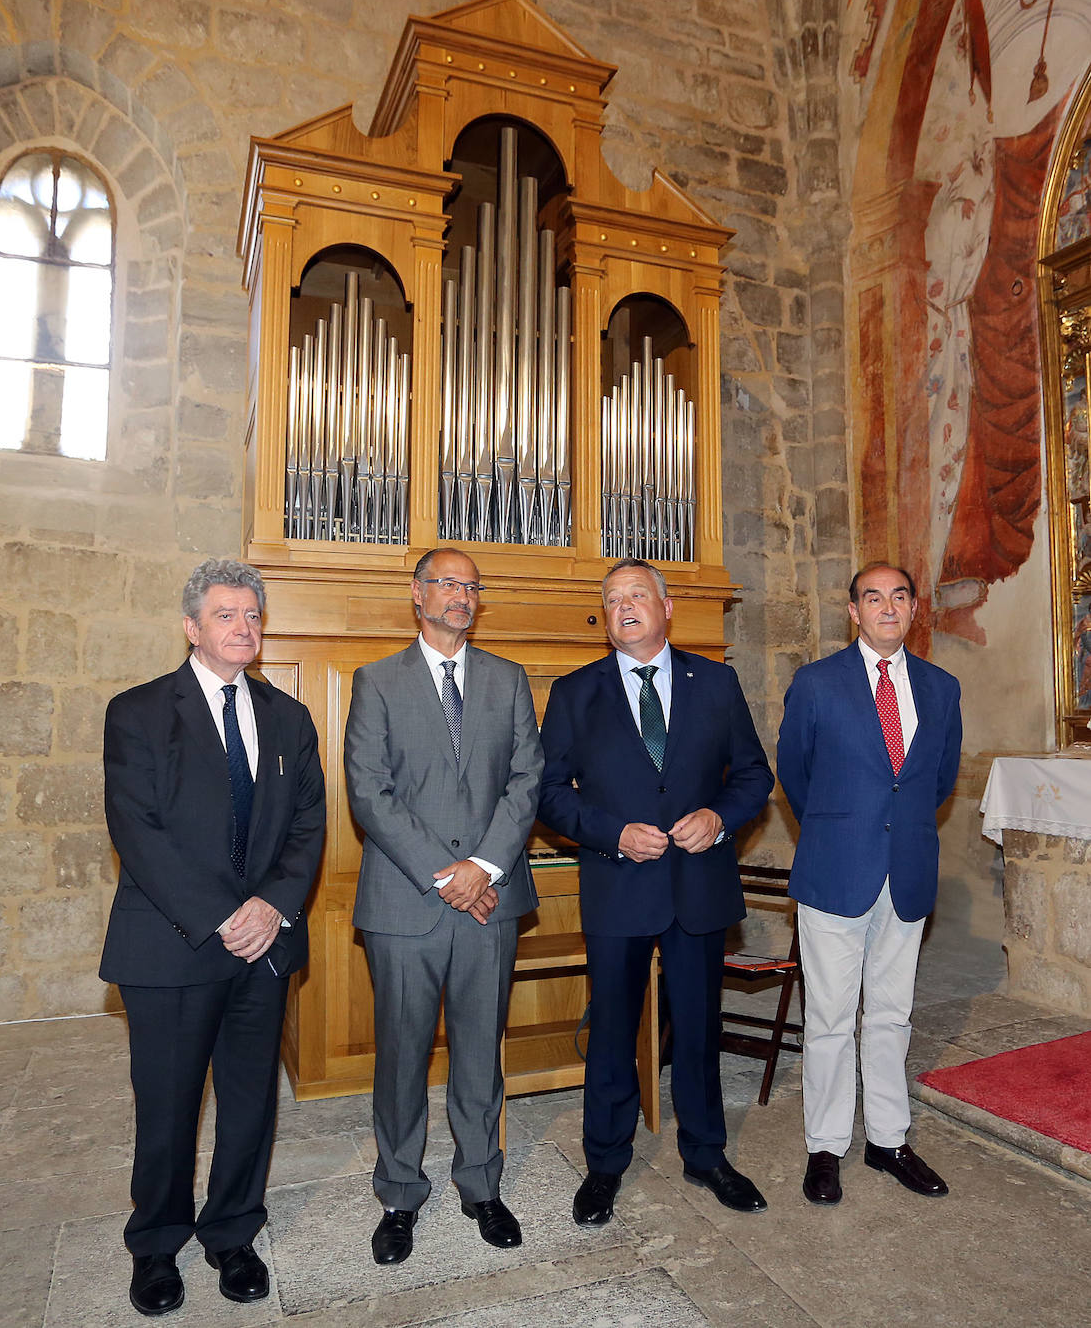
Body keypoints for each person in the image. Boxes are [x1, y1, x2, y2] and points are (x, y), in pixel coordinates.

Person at [101, 559, 326, 1316]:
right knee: (166, 1105)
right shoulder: (137, 712)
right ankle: (157, 1243)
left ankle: (233, 1232)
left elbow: (306, 828)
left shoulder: (290, 718)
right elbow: (139, 832)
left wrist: (272, 907)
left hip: (264, 946)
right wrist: (222, 915)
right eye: (226, 615)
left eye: (253, 616)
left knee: (249, 1099)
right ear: (192, 627)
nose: (243, 628)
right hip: (173, 942)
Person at [537, 558, 774, 1226]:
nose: (626, 607)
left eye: (638, 595)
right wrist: (612, 833)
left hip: (698, 883)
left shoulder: (717, 682)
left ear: (666, 608)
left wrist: (720, 817)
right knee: (612, 1031)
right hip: (618, 885)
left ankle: (706, 1155)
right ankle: (605, 1165)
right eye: (613, 601)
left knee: (698, 1028)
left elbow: (754, 776)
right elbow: (549, 794)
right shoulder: (576, 693)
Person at [344, 548, 543, 1266]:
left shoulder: (508, 680)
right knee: (401, 1056)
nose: (459, 595)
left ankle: (481, 1184)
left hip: (491, 898)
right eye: (445, 583)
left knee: (479, 1053)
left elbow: (527, 780)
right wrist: (446, 872)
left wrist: (484, 866)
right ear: (416, 593)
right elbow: (369, 791)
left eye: (470, 586)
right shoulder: (377, 682)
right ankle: (399, 1194)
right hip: (406, 902)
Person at [777, 562, 962, 1206]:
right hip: (835, 869)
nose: (886, 607)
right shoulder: (817, 683)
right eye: (872, 597)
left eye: (899, 597)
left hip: (906, 870)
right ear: (853, 611)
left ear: (914, 609)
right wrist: (838, 828)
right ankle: (825, 1147)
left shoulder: (942, 689)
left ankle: (888, 1139)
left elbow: (937, 782)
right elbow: (794, 775)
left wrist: (894, 829)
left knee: (892, 1013)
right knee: (829, 1017)